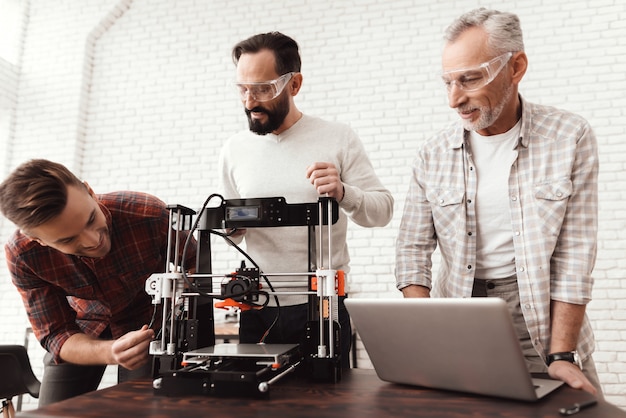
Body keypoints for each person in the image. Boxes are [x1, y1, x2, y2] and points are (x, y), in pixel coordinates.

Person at [395, 8, 602, 396]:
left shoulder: (569, 136)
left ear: (516, 66)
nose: (455, 99)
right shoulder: (432, 153)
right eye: (448, 82)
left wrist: (561, 354)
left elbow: (576, 252)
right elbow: (412, 249)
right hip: (458, 318)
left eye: (470, 79)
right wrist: (426, 333)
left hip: (542, 319)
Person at [219, 32, 393, 368]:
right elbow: (234, 228)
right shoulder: (233, 150)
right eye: (242, 88)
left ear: (294, 84)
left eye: (262, 88)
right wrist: (230, 230)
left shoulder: (338, 137)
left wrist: (344, 191)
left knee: (328, 403)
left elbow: (382, 211)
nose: (250, 100)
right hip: (255, 309)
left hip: (324, 306)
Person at [0, 159, 195, 405]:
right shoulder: (23, 255)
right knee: (54, 412)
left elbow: (195, 265)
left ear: (90, 192)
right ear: (37, 239)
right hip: (82, 328)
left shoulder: (148, 213)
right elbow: (56, 334)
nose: (93, 241)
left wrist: (180, 305)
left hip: (151, 324)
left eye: (92, 218)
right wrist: (110, 351)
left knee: (146, 408)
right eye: (68, 239)